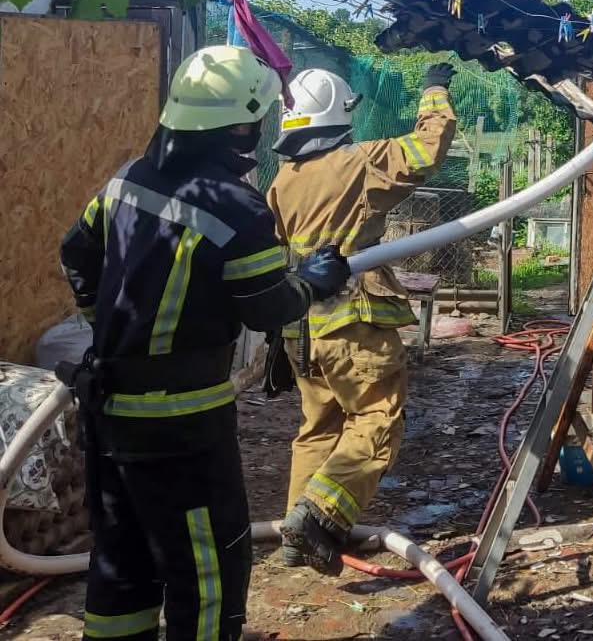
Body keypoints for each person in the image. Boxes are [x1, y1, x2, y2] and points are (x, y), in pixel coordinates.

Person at [59, 45, 351, 641]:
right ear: (241, 124)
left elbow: (76, 253)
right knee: (208, 572)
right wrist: (315, 282)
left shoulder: (126, 179)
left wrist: (108, 330)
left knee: (122, 563)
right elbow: (268, 307)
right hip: (181, 425)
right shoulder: (235, 208)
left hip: (108, 409)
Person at [266, 63, 457, 573]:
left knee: (319, 426)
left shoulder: (283, 179)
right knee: (377, 418)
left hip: (301, 326)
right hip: (353, 324)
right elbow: (427, 149)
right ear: (338, 114)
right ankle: (319, 516)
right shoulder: (358, 163)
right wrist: (434, 90)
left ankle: (295, 533)